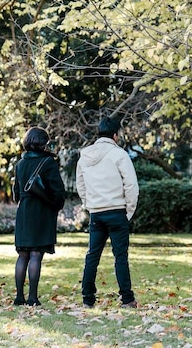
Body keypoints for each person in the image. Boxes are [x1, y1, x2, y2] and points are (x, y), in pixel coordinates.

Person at [77, 117, 140, 309]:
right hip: (116, 210)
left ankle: (88, 299)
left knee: (92, 256)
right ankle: (127, 299)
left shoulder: (84, 155)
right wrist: (128, 211)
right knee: (120, 256)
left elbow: (80, 184)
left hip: (96, 212)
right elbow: (131, 186)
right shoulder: (119, 154)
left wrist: (89, 205)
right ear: (115, 135)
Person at [12, 126, 66, 306]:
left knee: (23, 255)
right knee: (35, 254)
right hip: (41, 210)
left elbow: (16, 194)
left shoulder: (19, 164)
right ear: (43, 143)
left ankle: (19, 296)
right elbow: (57, 190)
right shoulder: (48, 162)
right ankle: (32, 297)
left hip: (24, 211)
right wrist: (56, 204)